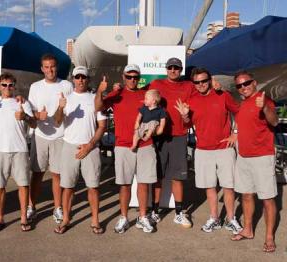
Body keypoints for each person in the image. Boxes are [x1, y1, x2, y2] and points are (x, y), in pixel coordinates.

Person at [174, 67, 242, 234]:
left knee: (228, 186)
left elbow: (239, 113)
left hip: (224, 148)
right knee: (209, 187)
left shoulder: (222, 95)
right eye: (197, 82)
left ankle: (231, 218)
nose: (201, 84)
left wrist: (235, 134)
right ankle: (214, 218)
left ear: (210, 80)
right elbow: (187, 125)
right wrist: (184, 116)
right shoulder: (192, 100)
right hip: (203, 150)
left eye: (204, 81)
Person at [95, 64, 157, 233]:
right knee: (125, 185)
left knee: (144, 184)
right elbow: (99, 107)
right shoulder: (117, 94)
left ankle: (142, 217)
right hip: (123, 146)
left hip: (145, 144)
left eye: (135, 77)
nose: (132, 80)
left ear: (139, 78)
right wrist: (100, 91)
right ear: (123, 77)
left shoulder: (146, 94)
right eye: (129, 77)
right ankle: (123, 217)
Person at [52, 66, 106, 234]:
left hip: (91, 147)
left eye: (83, 77)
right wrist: (61, 108)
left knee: (93, 187)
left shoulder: (95, 99)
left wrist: (90, 145)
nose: (80, 80)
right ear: (73, 79)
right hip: (69, 147)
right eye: (77, 77)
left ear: (88, 79)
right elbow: (57, 122)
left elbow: (102, 126)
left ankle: (95, 220)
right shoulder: (66, 98)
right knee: (68, 187)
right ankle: (66, 218)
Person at [231, 71, 278, 253]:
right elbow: (244, 127)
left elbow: (274, 122)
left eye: (247, 83)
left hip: (262, 157)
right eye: (239, 85)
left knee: (267, 198)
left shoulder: (264, 100)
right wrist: (234, 135)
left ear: (254, 82)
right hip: (244, 157)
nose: (243, 87)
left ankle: (269, 237)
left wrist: (265, 108)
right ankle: (248, 229)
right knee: (246, 195)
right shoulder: (243, 104)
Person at [148, 57, 195, 227]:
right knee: (158, 175)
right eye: (170, 67)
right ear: (166, 69)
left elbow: (201, 98)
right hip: (159, 136)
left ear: (181, 69)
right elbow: (143, 98)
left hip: (179, 136)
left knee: (178, 177)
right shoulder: (156, 84)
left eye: (176, 67)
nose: (173, 70)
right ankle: (154, 211)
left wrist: (215, 84)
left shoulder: (188, 86)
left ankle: (179, 213)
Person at [0, 73, 36, 232]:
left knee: (23, 184)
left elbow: (34, 123)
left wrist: (25, 117)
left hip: (20, 149)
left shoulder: (23, 102)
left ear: (15, 86)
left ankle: (23, 217)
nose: (7, 88)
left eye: (10, 85)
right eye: (4, 85)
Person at [27, 54, 73, 223]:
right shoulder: (35, 87)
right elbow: (30, 113)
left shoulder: (67, 85)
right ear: (42, 69)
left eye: (52, 66)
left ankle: (58, 207)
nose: (50, 70)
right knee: (37, 173)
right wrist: (39, 115)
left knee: (57, 174)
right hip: (40, 136)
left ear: (57, 67)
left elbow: (71, 110)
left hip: (60, 136)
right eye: (46, 67)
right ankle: (31, 206)